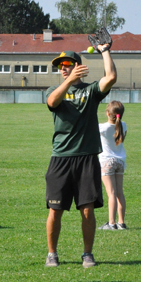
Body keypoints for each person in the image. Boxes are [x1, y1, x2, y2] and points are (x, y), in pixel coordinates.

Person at [45, 46, 117, 268]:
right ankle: (52, 254)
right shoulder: (54, 89)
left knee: (87, 210)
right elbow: (52, 102)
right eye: (60, 66)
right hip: (61, 158)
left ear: (77, 66)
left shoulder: (91, 91)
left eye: (67, 65)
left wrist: (105, 51)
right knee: (55, 211)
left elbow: (111, 77)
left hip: (86, 158)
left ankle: (87, 254)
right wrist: (67, 81)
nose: (63, 69)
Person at [98, 101, 128, 231]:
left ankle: (111, 223)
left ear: (107, 113)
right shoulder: (124, 126)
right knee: (119, 192)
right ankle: (121, 222)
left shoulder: (102, 128)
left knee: (111, 193)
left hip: (107, 162)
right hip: (120, 161)